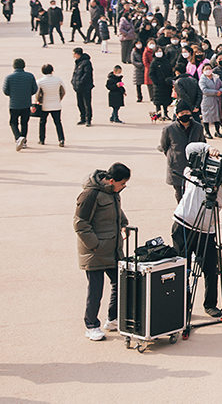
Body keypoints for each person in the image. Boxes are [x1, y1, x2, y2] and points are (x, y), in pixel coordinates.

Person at [172, 142, 222, 318]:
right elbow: (189, 149)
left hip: (207, 231)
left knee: (211, 269)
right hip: (183, 225)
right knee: (182, 268)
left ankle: (210, 305)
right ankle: (182, 306)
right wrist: (208, 149)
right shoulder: (198, 170)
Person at [74, 162, 131, 341]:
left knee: (120, 283)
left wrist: (123, 225)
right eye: (122, 183)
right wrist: (96, 245)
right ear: (111, 180)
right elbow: (80, 223)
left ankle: (112, 319)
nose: (124, 187)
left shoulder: (112, 192)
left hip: (112, 249)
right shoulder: (90, 194)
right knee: (96, 290)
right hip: (95, 251)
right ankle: (91, 325)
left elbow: (116, 213)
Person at [159, 101, 206, 201]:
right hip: (177, 165)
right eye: (182, 113)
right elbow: (164, 146)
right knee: (179, 192)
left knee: (192, 191)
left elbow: (202, 143)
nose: (185, 115)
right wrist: (173, 156)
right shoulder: (169, 129)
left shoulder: (198, 127)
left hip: (193, 165)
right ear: (177, 115)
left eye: (187, 112)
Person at [4, 58, 38, 151]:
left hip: (14, 104)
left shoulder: (9, 77)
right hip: (26, 103)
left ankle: (18, 137)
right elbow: (35, 89)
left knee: (13, 122)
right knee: (24, 123)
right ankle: (24, 141)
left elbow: (5, 91)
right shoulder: (30, 76)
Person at [36, 63, 66, 147]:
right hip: (56, 104)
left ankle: (42, 139)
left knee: (42, 122)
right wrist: (59, 99)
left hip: (45, 105)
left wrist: (38, 101)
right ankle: (61, 139)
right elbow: (63, 91)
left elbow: (37, 94)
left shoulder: (39, 81)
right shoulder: (58, 80)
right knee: (58, 123)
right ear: (52, 71)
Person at [199, 63, 222, 139]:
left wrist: (220, 91)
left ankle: (217, 131)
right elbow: (204, 90)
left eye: (209, 69)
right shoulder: (202, 79)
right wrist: (215, 92)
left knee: (217, 116)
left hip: (217, 100)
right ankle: (207, 132)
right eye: (206, 69)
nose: (208, 70)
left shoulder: (216, 77)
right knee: (206, 117)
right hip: (208, 100)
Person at [71, 48, 94, 127]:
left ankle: (88, 119)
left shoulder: (86, 62)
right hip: (78, 87)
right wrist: (73, 81)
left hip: (85, 87)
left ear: (77, 54)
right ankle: (82, 118)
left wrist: (80, 82)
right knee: (79, 103)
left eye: (74, 54)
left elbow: (87, 74)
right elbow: (75, 73)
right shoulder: (78, 62)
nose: (73, 55)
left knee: (87, 104)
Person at [150, 46, 173, 119]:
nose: (159, 53)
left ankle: (166, 114)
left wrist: (170, 79)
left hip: (166, 84)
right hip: (158, 85)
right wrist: (156, 82)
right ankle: (158, 114)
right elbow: (151, 73)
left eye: (160, 51)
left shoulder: (166, 61)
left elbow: (170, 71)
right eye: (157, 52)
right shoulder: (154, 62)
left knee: (166, 100)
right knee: (158, 101)